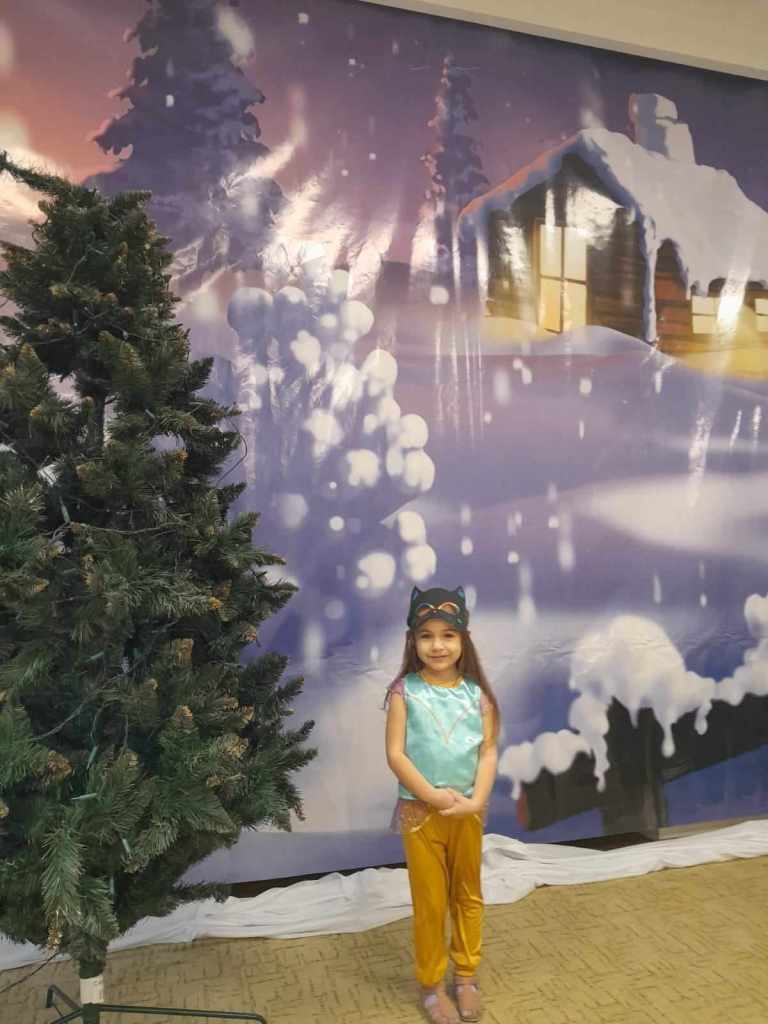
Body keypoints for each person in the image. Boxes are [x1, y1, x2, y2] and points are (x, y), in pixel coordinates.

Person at [385, 586, 499, 1024]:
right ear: (412, 641)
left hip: (467, 811)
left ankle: (466, 974)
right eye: (426, 635)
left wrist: (477, 800)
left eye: (448, 635)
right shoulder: (404, 692)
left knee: (467, 893)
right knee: (431, 901)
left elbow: (487, 752)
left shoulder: (478, 695)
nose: (437, 645)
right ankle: (431, 984)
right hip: (421, 813)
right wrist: (430, 795)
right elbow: (396, 754)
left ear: (463, 639)